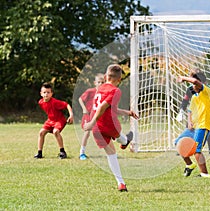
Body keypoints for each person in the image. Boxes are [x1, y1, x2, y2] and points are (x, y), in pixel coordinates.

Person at [84, 64, 139, 192]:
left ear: (105, 77)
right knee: (119, 137)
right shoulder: (115, 90)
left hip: (97, 128)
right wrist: (92, 122)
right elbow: (102, 107)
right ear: (119, 80)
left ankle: (121, 183)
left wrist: (127, 112)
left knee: (111, 154)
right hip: (108, 124)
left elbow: (109, 108)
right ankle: (125, 141)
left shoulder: (100, 88)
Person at [78, 73, 133, 160]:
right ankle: (82, 152)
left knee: (111, 132)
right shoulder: (90, 91)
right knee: (87, 132)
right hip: (89, 115)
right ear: (95, 83)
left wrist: (125, 112)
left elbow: (108, 107)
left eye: (102, 82)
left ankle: (121, 145)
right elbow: (80, 99)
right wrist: (84, 109)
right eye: (98, 82)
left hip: (100, 118)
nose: (100, 84)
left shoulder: (106, 92)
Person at [176, 70, 210, 178]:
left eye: (194, 85)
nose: (193, 87)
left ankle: (204, 174)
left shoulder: (206, 91)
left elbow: (195, 81)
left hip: (203, 126)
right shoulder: (195, 96)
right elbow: (190, 111)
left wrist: (183, 78)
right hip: (193, 127)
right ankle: (189, 164)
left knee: (197, 151)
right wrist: (189, 122)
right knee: (178, 143)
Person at [34, 82, 73, 159]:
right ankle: (39, 153)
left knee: (56, 132)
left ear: (52, 93)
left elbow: (67, 105)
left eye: (48, 92)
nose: (46, 94)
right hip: (50, 120)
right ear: (41, 93)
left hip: (59, 120)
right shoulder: (41, 102)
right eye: (44, 92)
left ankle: (62, 152)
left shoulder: (55, 102)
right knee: (41, 132)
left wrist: (71, 115)